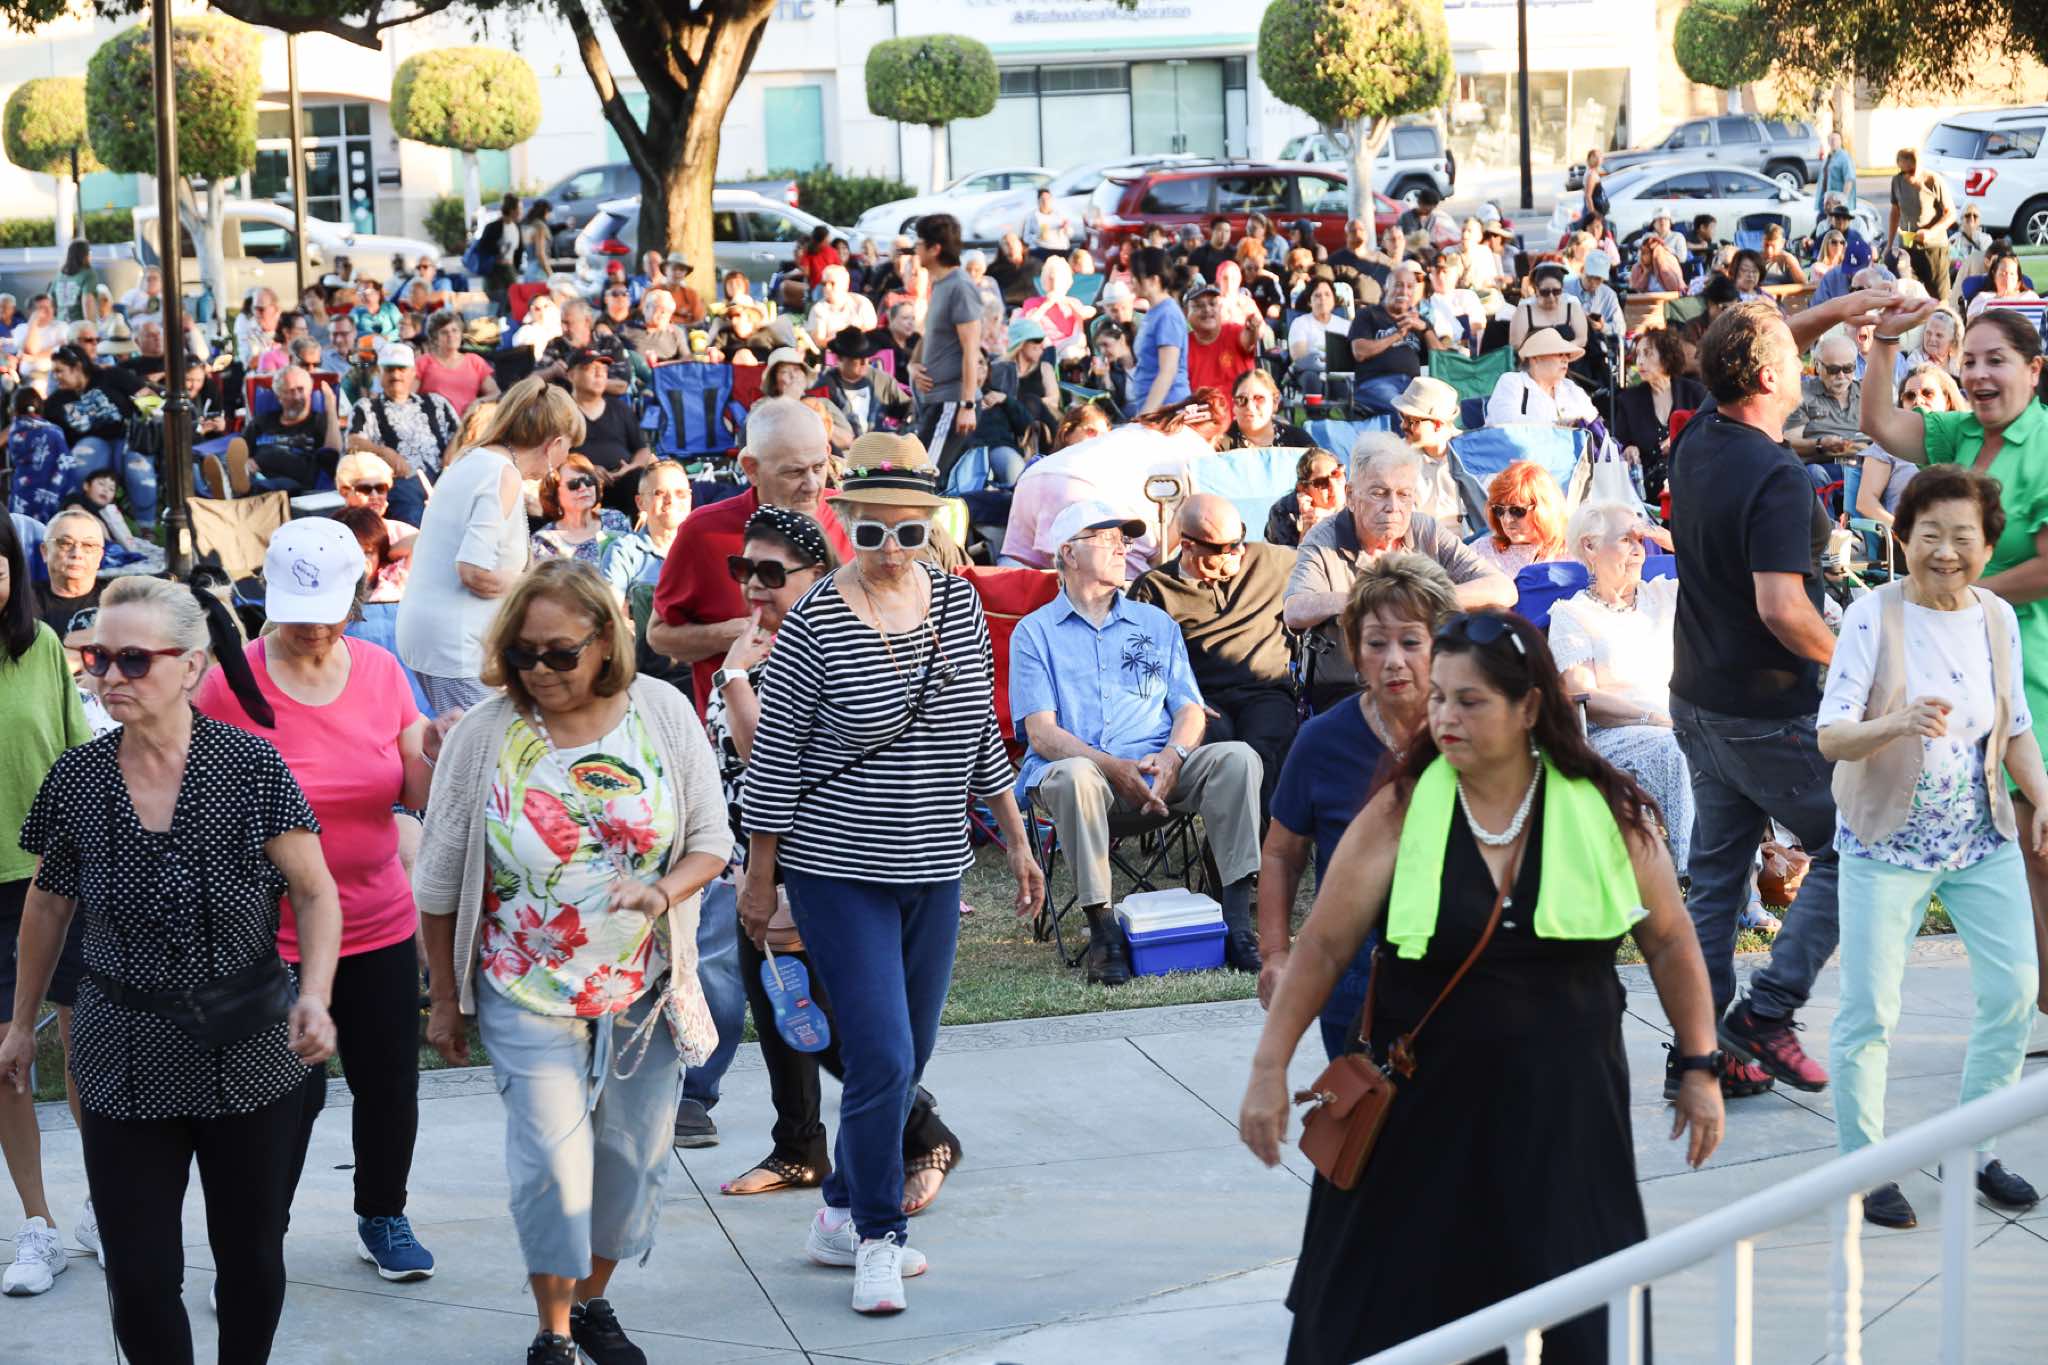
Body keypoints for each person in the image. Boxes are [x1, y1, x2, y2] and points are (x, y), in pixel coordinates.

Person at [0, 574, 340, 1363]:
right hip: (121, 1052)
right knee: (141, 1276)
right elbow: (46, 907)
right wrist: (20, 1024)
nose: (108, 675)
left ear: (191, 665)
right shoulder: (77, 777)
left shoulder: (249, 766)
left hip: (249, 1046)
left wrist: (317, 995)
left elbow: (315, 890)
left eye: (132, 659)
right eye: (97, 659)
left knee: (250, 1257)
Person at [738, 448, 1042, 1316]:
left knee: (912, 1051)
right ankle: (879, 1235)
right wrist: (760, 880)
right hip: (838, 869)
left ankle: (838, 1211)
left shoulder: (957, 601)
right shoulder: (814, 623)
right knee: (880, 1055)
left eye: (910, 532)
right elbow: (774, 766)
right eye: (872, 532)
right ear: (845, 524)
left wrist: (1017, 838)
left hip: (935, 864)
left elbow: (976, 729)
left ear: (934, 527)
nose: (892, 550)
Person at [415, 559, 730, 1365]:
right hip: (524, 986)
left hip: (643, 989)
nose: (541, 670)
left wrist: (660, 894)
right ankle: (553, 1331)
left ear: (604, 642)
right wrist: (444, 997)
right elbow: (439, 879)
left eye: (560, 653)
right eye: (523, 653)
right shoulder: (484, 733)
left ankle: (591, 1301)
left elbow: (710, 840)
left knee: (629, 1165)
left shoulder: (661, 711)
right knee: (553, 1167)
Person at [192, 517, 439, 1280]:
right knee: (281, 1101)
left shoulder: (380, 670)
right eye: (298, 613)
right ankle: (258, 1241)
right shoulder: (228, 684)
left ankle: (383, 1212)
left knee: (389, 1083)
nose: (313, 628)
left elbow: (413, 793)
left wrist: (436, 753)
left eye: (329, 612)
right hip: (270, 936)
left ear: (356, 599)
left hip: (377, 919)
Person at [705, 508, 962, 1212]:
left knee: (854, 1036)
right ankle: (800, 1149)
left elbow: (766, 759)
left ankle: (923, 1137)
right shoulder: (755, 648)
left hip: (825, 868)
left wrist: (734, 678)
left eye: (771, 572)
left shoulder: (826, 645)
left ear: (818, 575)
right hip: (753, 867)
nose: (754, 586)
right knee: (784, 1018)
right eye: (743, 569)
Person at [1814, 465, 2047, 1228]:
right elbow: (1831, 735)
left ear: (1988, 547)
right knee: (1870, 1010)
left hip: (1980, 837)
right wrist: (1897, 721)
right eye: (1930, 535)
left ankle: (1973, 1148)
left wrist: (2043, 796)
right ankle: (1864, 1166)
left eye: (1963, 537)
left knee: (2014, 991)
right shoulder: (1872, 616)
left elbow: (2014, 726)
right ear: (1903, 536)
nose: (1946, 551)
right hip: (1885, 841)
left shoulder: (1996, 617)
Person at [1669, 301, 1841, 1095]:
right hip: (1765, 716)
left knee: (1716, 882)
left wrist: (1843, 308)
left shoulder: (1699, 434)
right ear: (1770, 377)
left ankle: (1701, 1056)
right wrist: (1856, 662)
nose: (1805, 363)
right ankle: (1767, 1012)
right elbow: (1782, 608)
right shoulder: (1775, 473)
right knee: (1862, 842)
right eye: (1793, 357)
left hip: (1698, 701)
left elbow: (1747, 354)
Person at [1859, 302, 2048, 1011]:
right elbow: (1880, 422)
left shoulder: (2045, 444)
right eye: (1969, 360)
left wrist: (1966, 595)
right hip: (1966, 664)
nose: (1979, 374)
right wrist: (1885, 337)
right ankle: (2038, 1000)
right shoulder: (1958, 431)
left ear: (2035, 370)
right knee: (2019, 844)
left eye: (1997, 361)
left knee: (2037, 836)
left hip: (2033, 661)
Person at [1014, 500, 1266, 982]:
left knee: (1238, 758)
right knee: (1076, 775)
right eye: (1108, 539)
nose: (1122, 549)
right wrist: (1113, 767)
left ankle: (1236, 923)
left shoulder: (1156, 624)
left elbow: (1189, 708)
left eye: (1125, 540)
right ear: (1068, 552)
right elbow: (1042, 734)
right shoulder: (1035, 633)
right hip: (1084, 779)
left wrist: (1174, 756)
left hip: (1160, 773)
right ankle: (1103, 930)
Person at [1256, 554, 1458, 1058]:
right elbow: (1282, 854)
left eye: (1411, 641)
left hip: (1461, 974)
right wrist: (1275, 953)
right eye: (1376, 643)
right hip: (1353, 981)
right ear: (1354, 649)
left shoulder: (1473, 732)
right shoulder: (1321, 740)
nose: (1393, 660)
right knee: (1363, 1105)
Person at [0, 515, 95, 1296]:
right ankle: (38, 1224)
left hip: (54, 877)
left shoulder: (43, 649)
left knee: (85, 1049)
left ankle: (108, 1204)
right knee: (4, 1064)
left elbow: (78, 757)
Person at [650, 399, 855, 715]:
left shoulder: (851, 516)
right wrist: (724, 635)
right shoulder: (704, 531)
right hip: (738, 733)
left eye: (819, 467)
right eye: (794, 472)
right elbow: (658, 635)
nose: (812, 485)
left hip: (839, 729)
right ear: (751, 469)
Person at [1284, 436, 1514, 709]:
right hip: (1352, 684)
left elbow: (1503, 589)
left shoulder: (1425, 529)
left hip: (1427, 678)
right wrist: (1371, 601)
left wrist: (1422, 598)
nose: (1393, 506)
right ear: (1351, 496)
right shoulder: (1324, 538)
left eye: (1404, 494)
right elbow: (1296, 609)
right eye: (1379, 493)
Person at [396, 376, 578, 714]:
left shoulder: (473, 459)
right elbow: (474, 572)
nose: (565, 460)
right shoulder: (501, 474)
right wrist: (530, 583)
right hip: (456, 647)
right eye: (569, 448)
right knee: (483, 744)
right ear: (553, 443)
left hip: (436, 638)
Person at [1129, 493, 1299, 818]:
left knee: (1263, 750)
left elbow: (1327, 566)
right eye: (1225, 547)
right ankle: (1235, 845)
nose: (1239, 551)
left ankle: (1248, 849)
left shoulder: (1272, 562)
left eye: (1240, 538)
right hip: (1201, 702)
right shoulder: (1155, 589)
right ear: (1188, 545)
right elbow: (1137, 665)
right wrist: (1177, 701)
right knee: (1219, 756)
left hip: (1266, 693)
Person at [1547, 500, 1692, 864]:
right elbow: (1582, 693)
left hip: (1679, 725)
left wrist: (1668, 538)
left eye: (1641, 541)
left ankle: (1742, 880)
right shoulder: (1572, 614)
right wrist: (1654, 719)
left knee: (1718, 741)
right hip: (1615, 734)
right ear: (1590, 547)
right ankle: (1697, 873)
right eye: (1627, 539)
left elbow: (1721, 573)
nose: (1639, 550)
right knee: (1679, 748)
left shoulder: (1664, 594)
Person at [347, 343, 462, 528]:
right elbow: (353, 441)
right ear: (379, 373)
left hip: (445, 475)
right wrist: (384, 452)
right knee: (412, 509)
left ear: (413, 372)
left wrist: (453, 450)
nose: (396, 375)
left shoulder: (436, 403)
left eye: (402, 369)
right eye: (389, 369)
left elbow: (463, 433)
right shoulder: (366, 407)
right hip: (401, 480)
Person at [905, 214, 985, 479]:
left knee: (924, 479)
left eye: (920, 243)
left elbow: (971, 349)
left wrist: (967, 405)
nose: (915, 249)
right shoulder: (939, 284)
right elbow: (931, 334)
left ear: (935, 248)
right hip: (936, 402)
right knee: (921, 476)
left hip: (952, 402)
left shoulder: (960, 286)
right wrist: (913, 365)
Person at [1855, 363, 1961, 530]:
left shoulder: (1965, 438)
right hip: (1906, 535)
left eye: (1928, 393)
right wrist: (1903, 533)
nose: (1918, 400)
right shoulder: (1887, 443)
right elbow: (1866, 502)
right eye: (1910, 396)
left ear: (1947, 401)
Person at [563, 348, 652, 515]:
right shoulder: (561, 412)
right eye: (591, 369)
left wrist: (631, 468)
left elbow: (642, 449)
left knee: (640, 478)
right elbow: (552, 456)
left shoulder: (620, 408)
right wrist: (585, 469)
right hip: (579, 484)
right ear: (571, 375)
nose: (600, 374)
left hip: (622, 481)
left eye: (604, 370)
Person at [229, 363, 341, 495]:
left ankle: (239, 490)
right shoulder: (262, 421)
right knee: (233, 467)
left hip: (296, 484)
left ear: (310, 391)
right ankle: (232, 485)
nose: (297, 397)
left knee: (277, 485)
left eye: (301, 389)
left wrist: (331, 409)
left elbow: (332, 455)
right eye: (290, 391)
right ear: (279, 396)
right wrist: (245, 464)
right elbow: (240, 449)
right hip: (259, 477)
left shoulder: (318, 421)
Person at [1346, 265, 1439, 414]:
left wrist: (1425, 329)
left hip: (1412, 386)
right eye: (1398, 285)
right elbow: (1360, 352)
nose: (1404, 291)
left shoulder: (1420, 321)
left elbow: (1442, 359)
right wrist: (1398, 334)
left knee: (1436, 409)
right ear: (1386, 288)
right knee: (1404, 409)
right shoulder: (1368, 314)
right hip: (1375, 383)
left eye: (1410, 287)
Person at [1469, 461, 1570, 575]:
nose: (1507, 520)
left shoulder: (1573, 553)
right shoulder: (1481, 551)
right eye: (1499, 510)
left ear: (1544, 509)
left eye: (1517, 510)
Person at [532, 454, 631, 564]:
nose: (583, 488)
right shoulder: (544, 542)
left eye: (588, 480)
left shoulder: (616, 520)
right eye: (573, 484)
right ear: (554, 494)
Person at [1485, 331, 1597, 427]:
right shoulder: (1512, 382)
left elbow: (1594, 424)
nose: (1565, 360)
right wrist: (1558, 426)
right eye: (1559, 354)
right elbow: (1503, 421)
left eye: (1567, 355)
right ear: (1535, 358)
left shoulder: (1571, 388)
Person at [821, 328, 913, 440]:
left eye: (866, 357)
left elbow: (909, 408)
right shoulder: (824, 387)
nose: (864, 363)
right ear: (839, 358)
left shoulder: (880, 380)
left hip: (877, 444)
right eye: (857, 358)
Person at [1130, 246, 1191, 415]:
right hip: (1152, 407)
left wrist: (1146, 414)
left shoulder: (1167, 315)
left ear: (1153, 280)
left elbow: (1167, 371)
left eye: (1136, 276)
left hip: (1167, 409)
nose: (1132, 281)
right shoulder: (1153, 312)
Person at [1890, 149, 1955, 303]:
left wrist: (1931, 232)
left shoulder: (1933, 180)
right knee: (1908, 296)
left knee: (1938, 300)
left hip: (1934, 248)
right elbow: (1895, 212)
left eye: (1911, 171)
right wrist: (1889, 244)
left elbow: (1951, 214)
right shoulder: (1897, 181)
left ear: (1919, 166)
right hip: (1908, 247)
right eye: (1903, 171)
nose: (1907, 176)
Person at [1183, 282, 1263, 398]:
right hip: (1201, 408)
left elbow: (1249, 340)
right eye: (1198, 306)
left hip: (1239, 407)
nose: (1207, 309)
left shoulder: (1235, 331)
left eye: (1212, 304)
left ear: (1220, 308)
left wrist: (1253, 327)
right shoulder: (1183, 345)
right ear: (1186, 312)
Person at [415, 309, 499, 414]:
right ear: (435, 338)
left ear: (461, 334)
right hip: (433, 421)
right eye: (444, 332)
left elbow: (495, 394)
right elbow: (409, 397)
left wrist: (478, 402)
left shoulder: (475, 361)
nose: (450, 335)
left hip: (467, 420)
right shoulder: (423, 362)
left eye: (454, 330)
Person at [37, 507, 104, 634]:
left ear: (100, 556)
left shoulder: (117, 603)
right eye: (66, 543)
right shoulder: (22, 601)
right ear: (45, 551)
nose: (77, 554)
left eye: (88, 545)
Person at [1263, 447, 1346, 548]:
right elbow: (1289, 558)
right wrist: (1308, 528)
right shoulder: (1283, 513)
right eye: (1321, 482)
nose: (1333, 486)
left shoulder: (1356, 500)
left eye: (1336, 474)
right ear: (1303, 488)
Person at [1223, 368, 1312, 451]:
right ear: (1233, 405)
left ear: (1275, 402)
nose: (1249, 406)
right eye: (1241, 399)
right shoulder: (1220, 443)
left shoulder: (1298, 441)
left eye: (1259, 398)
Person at [1286, 277, 1349, 391]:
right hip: (1310, 371)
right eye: (1317, 295)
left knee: (1344, 383)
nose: (1323, 299)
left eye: (1327, 295)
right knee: (1311, 379)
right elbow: (1299, 357)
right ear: (1309, 302)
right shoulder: (1300, 323)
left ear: (1334, 299)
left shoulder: (1345, 325)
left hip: (1338, 372)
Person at [1965, 252, 2042, 323]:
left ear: (2018, 278)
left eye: (2012, 274)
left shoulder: (2030, 297)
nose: (2008, 278)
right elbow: (1970, 327)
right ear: (1994, 275)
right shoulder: (1982, 299)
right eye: (2003, 274)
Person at [479, 195, 525, 302]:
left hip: (510, 271)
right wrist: (497, 257)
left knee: (513, 303)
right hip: (495, 273)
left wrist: (515, 269)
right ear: (512, 210)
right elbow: (483, 248)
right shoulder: (493, 227)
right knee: (496, 304)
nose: (522, 211)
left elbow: (518, 251)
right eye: (520, 208)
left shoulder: (516, 226)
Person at [48, 241, 101, 325]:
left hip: (61, 324)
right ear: (86, 255)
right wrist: (91, 326)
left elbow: (50, 299)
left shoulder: (60, 275)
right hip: (79, 326)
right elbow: (87, 302)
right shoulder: (88, 274)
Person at [1816, 129, 1856, 215]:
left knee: (1830, 222)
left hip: (1836, 202)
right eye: (1831, 139)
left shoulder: (1844, 157)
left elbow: (1849, 180)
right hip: (1825, 199)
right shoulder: (1829, 157)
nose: (1833, 142)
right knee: (1821, 221)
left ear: (1840, 141)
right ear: (1828, 142)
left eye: (1836, 139)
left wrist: (1843, 201)